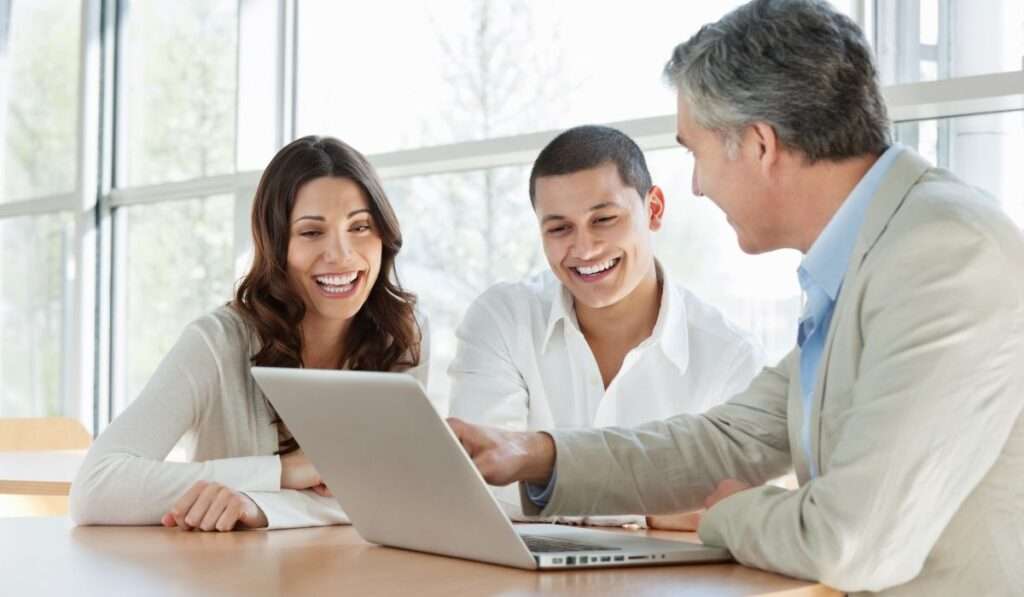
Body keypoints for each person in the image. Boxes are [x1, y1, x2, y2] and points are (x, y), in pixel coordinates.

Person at [448, 1, 1024, 594]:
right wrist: (533, 454)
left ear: (758, 144)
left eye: (695, 151)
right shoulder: (870, 255)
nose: (696, 184)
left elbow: (849, 542)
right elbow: (729, 440)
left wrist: (724, 514)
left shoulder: (943, 254)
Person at [70, 135, 428, 531]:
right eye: (311, 232)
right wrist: (283, 472)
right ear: (276, 245)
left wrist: (262, 507)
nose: (342, 254)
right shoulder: (217, 341)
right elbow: (96, 488)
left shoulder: (402, 335)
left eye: (360, 226)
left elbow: (402, 493)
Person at [448, 125, 762, 528]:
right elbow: (483, 487)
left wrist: (547, 479)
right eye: (559, 228)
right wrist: (653, 507)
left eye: (605, 219)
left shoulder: (728, 357)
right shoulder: (503, 318)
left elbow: (734, 507)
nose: (584, 249)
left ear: (654, 211)